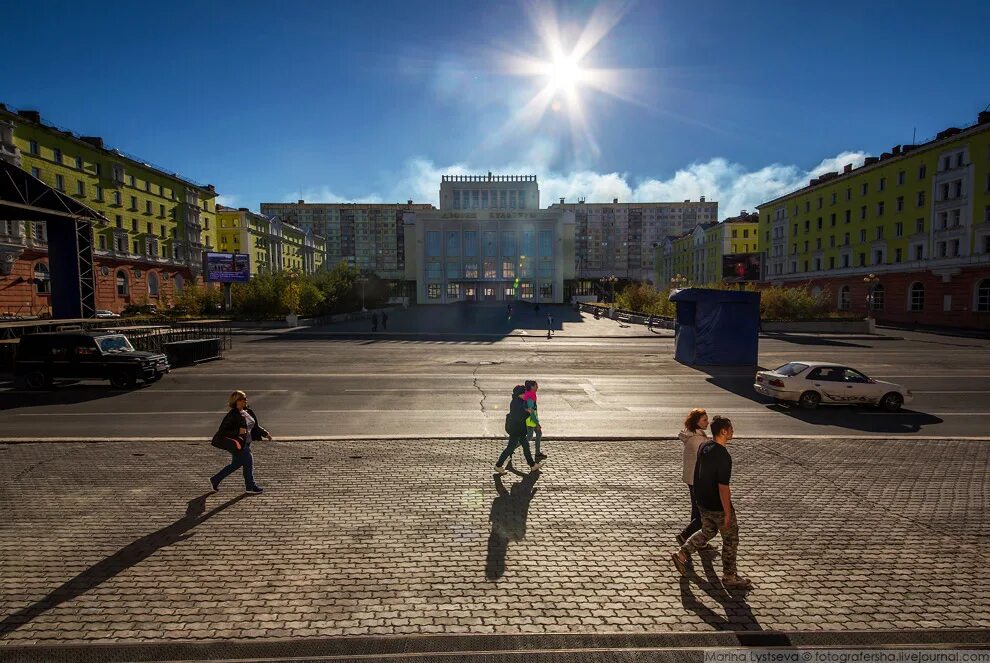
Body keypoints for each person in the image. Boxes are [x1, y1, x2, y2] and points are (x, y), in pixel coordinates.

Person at [671, 416, 752, 589]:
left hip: (703, 501)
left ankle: (682, 553)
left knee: (707, 530)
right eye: (730, 429)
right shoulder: (723, 456)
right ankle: (730, 576)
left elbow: (698, 473)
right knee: (731, 539)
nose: (732, 431)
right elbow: (723, 487)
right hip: (717, 505)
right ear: (723, 431)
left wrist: (699, 499)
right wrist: (728, 512)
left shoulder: (704, 446)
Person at [210, 390, 273, 494]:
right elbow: (222, 430)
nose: (245, 400)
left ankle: (215, 479)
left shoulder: (248, 412)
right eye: (243, 399)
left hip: (246, 443)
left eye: (245, 398)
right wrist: (237, 431)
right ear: (237, 401)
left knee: (236, 464)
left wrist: (265, 433)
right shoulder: (233, 414)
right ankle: (250, 486)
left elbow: (255, 426)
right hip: (239, 444)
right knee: (248, 462)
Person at [677, 408, 711, 546]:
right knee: (702, 514)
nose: (707, 423)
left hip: (692, 478)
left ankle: (695, 541)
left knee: (696, 511)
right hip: (698, 480)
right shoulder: (698, 440)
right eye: (704, 420)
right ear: (696, 422)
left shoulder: (693, 436)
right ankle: (685, 536)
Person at [495, 385, 540, 474]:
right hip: (516, 429)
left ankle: (532, 465)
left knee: (525, 447)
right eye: (524, 393)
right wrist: (528, 412)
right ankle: (498, 465)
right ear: (519, 394)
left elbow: (522, 412)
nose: (526, 395)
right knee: (510, 448)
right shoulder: (517, 403)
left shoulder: (518, 401)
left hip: (519, 429)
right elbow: (519, 415)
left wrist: (527, 411)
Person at [523, 379, 546, 462]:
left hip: (533, 419)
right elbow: (531, 412)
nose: (537, 387)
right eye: (536, 385)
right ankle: (511, 449)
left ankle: (537, 453)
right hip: (530, 420)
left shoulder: (531, 394)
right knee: (528, 438)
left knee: (539, 433)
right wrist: (536, 423)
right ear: (532, 387)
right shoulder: (530, 396)